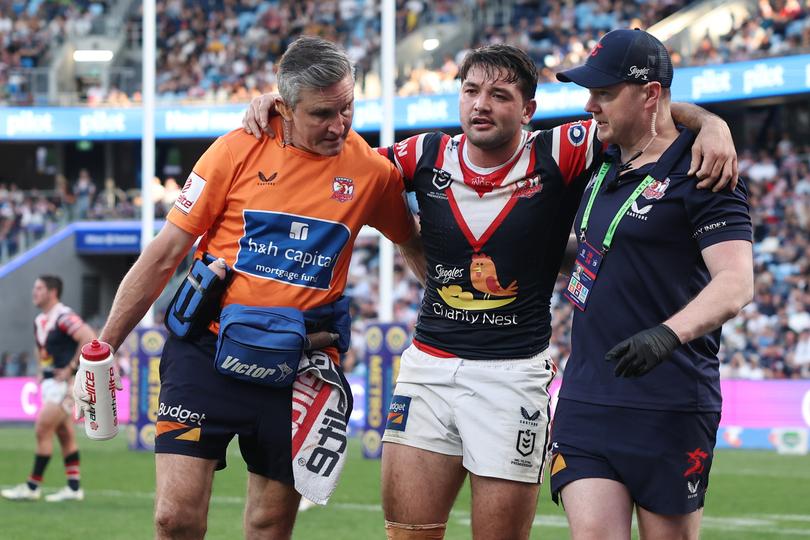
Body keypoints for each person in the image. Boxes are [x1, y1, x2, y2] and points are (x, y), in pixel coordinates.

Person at [242, 44, 736, 539]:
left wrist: (712, 125)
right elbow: (337, 164)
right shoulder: (423, 154)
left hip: (512, 377)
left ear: (528, 111)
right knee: (407, 532)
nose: (481, 104)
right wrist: (282, 103)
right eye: (471, 91)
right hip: (428, 370)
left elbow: (649, 117)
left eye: (500, 95)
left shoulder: (561, 150)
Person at [75, 36, 422, 540]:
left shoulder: (370, 172)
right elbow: (164, 254)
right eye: (323, 113)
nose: (340, 125)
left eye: (347, 108)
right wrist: (106, 342)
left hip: (297, 370)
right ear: (283, 105)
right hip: (205, 351)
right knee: (174, 519)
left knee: (268, 525)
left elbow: (412, 243)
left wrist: (454, 315)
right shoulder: (235, 149)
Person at [550, 29, 753, 539]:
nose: (589, 105)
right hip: (586, 398)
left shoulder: (705, 170)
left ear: (650, 95)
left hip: (671, 404)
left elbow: (735, 283)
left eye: (604, 93)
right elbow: (605, 257)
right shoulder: (602, 157)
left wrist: (666, 334)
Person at [1, 275, 96, 502]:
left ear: (53, 292)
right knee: (64, 434)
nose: (34, 292)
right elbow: (40, 347)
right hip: (51, 383)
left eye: (39, 288)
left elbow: (89, 337)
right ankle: (74, 489)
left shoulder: (64, 317)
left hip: (67, 385)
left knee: (42, 429)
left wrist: (72, 367)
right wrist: (39, 373)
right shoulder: (41, 320)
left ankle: (32, 486)